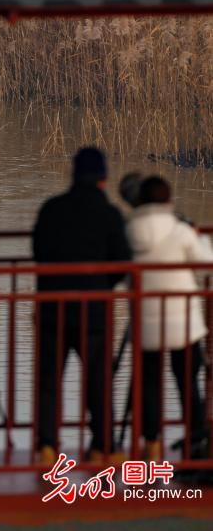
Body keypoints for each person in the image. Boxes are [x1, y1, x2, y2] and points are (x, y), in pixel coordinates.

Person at [33, 147, 132, 465]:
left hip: (53, 309)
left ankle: (46, 446)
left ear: (73, 175)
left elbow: (39, 253)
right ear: (104, 179)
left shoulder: (52, 209)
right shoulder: (110, 215)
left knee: (49, 380)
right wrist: (103, 286)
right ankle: (101, 445)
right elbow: (122, 262)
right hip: (94, 312)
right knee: (99, 380)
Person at [126, 176, 210, 461]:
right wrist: (196, 234)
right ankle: (196, 437)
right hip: (183, 322)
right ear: (167, 200)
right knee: (188, 380)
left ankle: (151, 442)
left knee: (149, 382)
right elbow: (205, 259)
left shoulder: (129, 230)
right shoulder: (179, 229)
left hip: (146, 321)